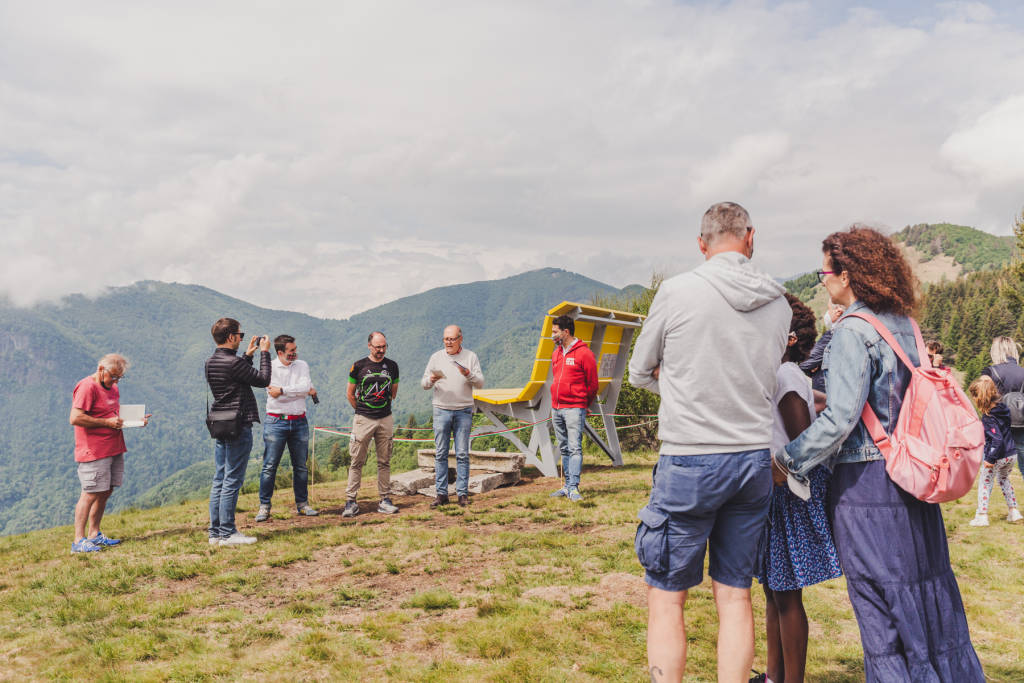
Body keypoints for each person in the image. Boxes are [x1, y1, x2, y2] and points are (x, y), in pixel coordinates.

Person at [773, 226, 984, 681]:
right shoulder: (905, 325)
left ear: (846, 275)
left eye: (825, 270)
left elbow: (841, 418)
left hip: (867, 490)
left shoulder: (851, 330)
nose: (822, 278)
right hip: (912, 479)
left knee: (879, 609)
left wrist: (786, 460)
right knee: (928, 602)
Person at [628, 201, 791, 683]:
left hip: (691, 458)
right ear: (750, 236)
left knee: (666, 594)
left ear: (701, 244)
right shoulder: (778, 302)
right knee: (735, 594)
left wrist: (680, 387)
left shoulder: (677, 292)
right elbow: (768, 374)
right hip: (752, 457)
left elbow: (639, 372)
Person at [755, 294, 842, 683]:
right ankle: (774, 676)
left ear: (789, 338)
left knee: (787, 595)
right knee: (774, 592)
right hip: (775, 494)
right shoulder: (783, 374)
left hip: (788, 493)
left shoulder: (786, 375)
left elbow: (801, 440)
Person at [69, 354, 149, 553]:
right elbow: (75, 417)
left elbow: (111, 413)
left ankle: (94, 534)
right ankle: (78, 541)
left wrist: (135, 420)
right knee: (90, 493)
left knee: (105, 491)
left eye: (119, 378)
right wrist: (106, 423)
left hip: (113, 446)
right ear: (100, 369)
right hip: (93, 450)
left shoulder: (112, 387)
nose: (115, 381)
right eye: (113, 376)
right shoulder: (87, 387)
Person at [206, 318, 271, 546]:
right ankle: (228, 532)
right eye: (240, 335)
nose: (241, 339)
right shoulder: (233, 363)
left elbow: (234, 379)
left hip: (221, 423)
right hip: (239, 423)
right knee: (232, 479)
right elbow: (263, 380)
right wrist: (264, 353)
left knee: (220, 478)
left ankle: (215, 533)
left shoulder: (211, 362)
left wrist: (247, 356)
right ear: (231, 337)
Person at [255, 334, 319, 522]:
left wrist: (283, 390)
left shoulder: (302, 365)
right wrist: (299, 391)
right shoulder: (270, 367)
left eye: (295, 350)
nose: (295, 353)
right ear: (280, 352)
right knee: (269, 466)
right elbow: (274, 394)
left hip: (299, 420)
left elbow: (305, 387)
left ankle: (303, 504)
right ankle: (264, 507)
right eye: (291, 351)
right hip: (276, 421)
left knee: (301, 466)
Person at [421, 325, 484, 507]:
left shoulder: (470, 357)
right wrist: (431, 380)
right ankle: (441, 494)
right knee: (441, 453)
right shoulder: (436, 357)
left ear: (460, 339)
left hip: (463, 409)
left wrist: (468, 374)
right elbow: (423, 383)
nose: (448, 342)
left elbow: (480, 383)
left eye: (452, 339)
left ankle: (462, 494)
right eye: (446, 339)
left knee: (462, 453)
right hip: (441, 409)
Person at [344, 331, 400, 517]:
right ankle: (351, 501)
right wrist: (361, 411)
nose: (381, 350)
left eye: (384, 346)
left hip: (385, 418)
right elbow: (350, 394)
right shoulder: (358, 366)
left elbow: (393, 392)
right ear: (369, 346)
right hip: (363, 419)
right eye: (377, 347)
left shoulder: (392, 366)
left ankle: (385, 499)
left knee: (384, 461)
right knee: (357, 461)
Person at [548, 314, 598, 502]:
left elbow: (593, 383)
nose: (552, 335)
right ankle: (567, 486)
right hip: (557, 408)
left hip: (574, 408)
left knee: (575, 447)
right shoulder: (556, 354)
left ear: (565, 332)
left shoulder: (584, 353)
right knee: (564, 447)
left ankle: (574, 487)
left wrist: (585, 404)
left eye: (555, 332)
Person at [966, 375, 1022, 526]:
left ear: (981, 397)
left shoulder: (988, 417)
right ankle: (1014, 511)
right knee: (1004, 480)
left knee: (985, 483)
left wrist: (990, 458)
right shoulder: (1004, 408)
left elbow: (996, 440)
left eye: (974, 396)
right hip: (1011, 454)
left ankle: (982, 515)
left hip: (997, 456)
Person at [981, 336, 1024, 479]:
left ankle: (984, 501)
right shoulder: (1022, 372)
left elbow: (982, 397)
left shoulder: (990, 372)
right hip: (1021, 425)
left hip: (997, 427)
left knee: (988, 473)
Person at [799, 300, 844, 393]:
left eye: (829, 309)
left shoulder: (832, 335)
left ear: (838, 311)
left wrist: (816, 366)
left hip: (826, 391)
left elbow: (806, 362)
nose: (827, 313)